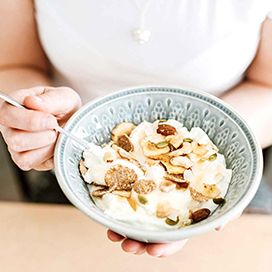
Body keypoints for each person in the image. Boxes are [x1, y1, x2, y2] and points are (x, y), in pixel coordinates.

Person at [0, 0, 271, 257]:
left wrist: (231, 133)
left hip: (229, 149)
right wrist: (37, 113)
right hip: (69, 148)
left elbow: (267, 86)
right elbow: (14, 63)